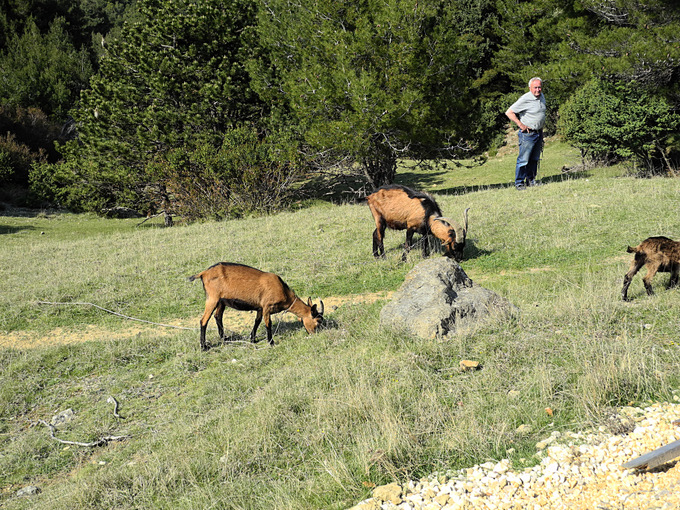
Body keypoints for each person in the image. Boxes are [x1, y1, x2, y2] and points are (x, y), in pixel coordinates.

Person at [505, 77, 546, 190]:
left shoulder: (541, 96)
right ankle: (519, 183)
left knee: (534, 159)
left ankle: (531, 180)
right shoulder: (526, 98)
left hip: (538, 133)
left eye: (539, 87)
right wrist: (521, 125)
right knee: (524, 159)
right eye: (535, 88)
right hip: (528, 134)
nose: (538, 90)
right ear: (530, 88)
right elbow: (509, 112)